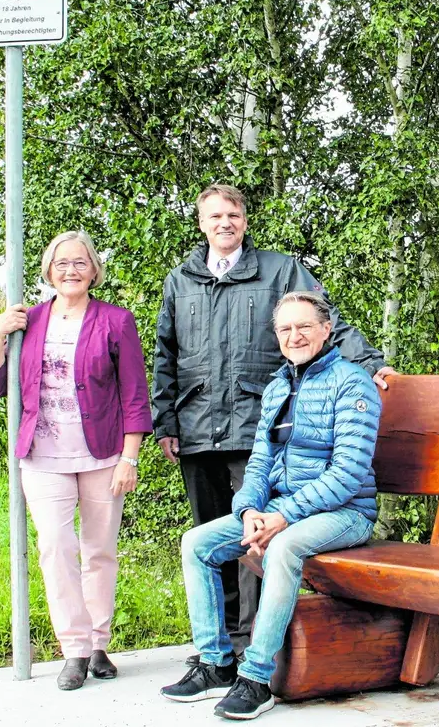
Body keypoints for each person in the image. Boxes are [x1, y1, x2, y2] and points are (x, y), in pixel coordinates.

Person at [151, 183, 396, 660]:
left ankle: (251, 643)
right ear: (201, 223)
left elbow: (325, 320)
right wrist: (167, 422)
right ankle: (216, 645)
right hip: (197, 425)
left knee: (254, 539)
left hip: (252, 419)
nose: (225, 223)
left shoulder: (280, 269)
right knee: (211, 534)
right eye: (215, 216)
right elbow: (167, 354)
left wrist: (367, 361)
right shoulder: (179, 280)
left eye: (233, 215)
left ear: (245, 221)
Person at [160, 291, 381, 720]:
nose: (294, 336)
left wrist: (283, 516)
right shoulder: (279, 386)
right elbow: (259, 462)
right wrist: (249, 512)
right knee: (197, 542)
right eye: (285, 329)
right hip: (282, 510)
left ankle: (257, 678)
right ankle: (216, 665)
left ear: (326, 330)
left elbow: (349, 473)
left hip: (346, 514)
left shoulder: (353, 383)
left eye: (304, 327)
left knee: (283, 547)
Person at [0, 230, 152, 691]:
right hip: (42, 457)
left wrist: (129, 458)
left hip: (102, 455)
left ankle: (99, 644)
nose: (70, 270)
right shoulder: (29, 320)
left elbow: (135, 393)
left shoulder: (116, 320)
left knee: (99, 551)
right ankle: (73, 649)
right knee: (56, 548)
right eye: (61, 263)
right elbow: (1, 387)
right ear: (48, 270)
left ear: (94, 270)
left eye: (80, 263)